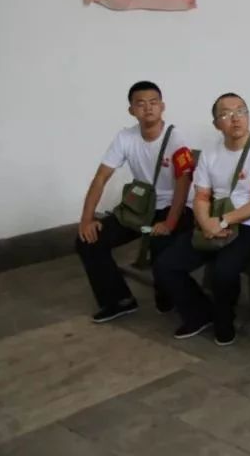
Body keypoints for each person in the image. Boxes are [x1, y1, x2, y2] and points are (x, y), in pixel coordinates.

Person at [154, 93, 250, 344]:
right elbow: (201, 195)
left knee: (224, 270)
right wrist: (206, 222)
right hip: (212, 221)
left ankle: (224, 320)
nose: (235, 119)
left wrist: (222, 221)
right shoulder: (211, 152)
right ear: (216, 124)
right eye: (226, 114)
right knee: (166, 265)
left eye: (241, 111)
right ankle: (200, 313)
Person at [76, 81, 195, 322]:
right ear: (131, 110)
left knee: (161, 257)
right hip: (141, 210)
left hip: (176, 208)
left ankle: (168, 295)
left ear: (162, 107)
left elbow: (184, 183)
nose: (148, 108)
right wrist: (87, 219)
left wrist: (170, 223)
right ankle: (119, 300)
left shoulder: (175, 138)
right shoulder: (125, 137)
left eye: (153, 103)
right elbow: (101, 178)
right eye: (140, 104)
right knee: (88, 242)